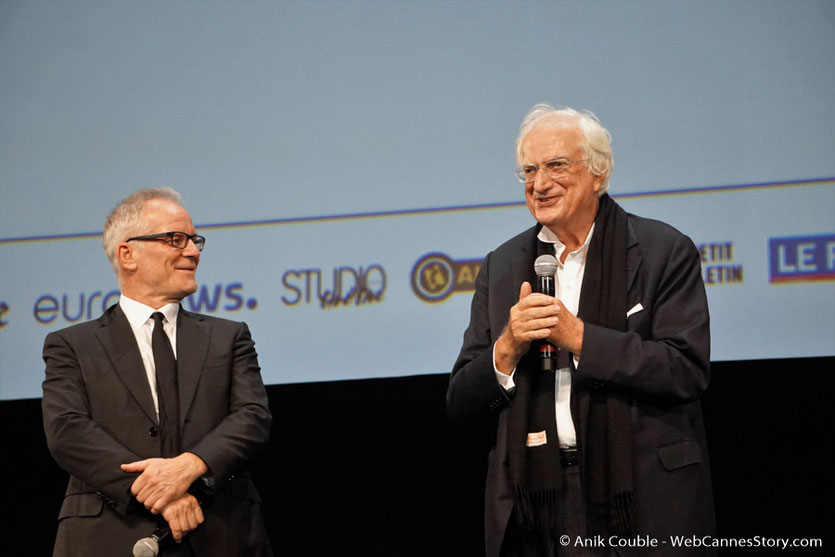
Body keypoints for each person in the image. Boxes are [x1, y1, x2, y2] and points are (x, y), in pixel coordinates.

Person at [447, 104, 716, 556]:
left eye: (556, 165)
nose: (539, 183)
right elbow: (460, 402)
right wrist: (508, 348)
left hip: (642, 498)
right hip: (542, 506)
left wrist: (579, 337)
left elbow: (684, 369)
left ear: (599, 173)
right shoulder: (502, 266)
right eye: (529, 170)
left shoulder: (662, 250)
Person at [42, 188, 273, 556]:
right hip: (110, 535)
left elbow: (252, 417)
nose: (193, 251)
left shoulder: (228, 337)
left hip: (221, 532)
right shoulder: (72, 345)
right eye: (175, 239)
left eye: (194, 241)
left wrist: (190, 467)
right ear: (127, 253)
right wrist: (157, 491)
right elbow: (68, 431)